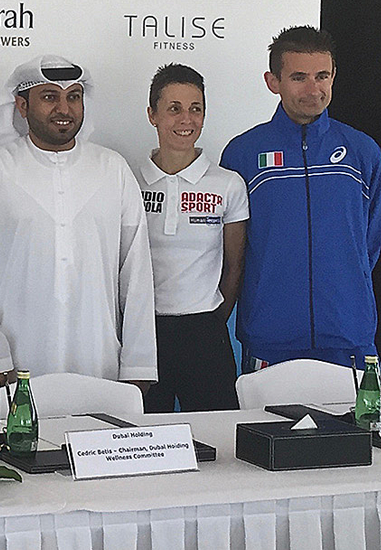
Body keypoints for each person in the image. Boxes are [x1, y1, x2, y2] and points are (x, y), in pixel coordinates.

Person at [0, 55, 156, 387]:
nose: (64, 108)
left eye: (74, 97)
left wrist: (138, 365)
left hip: (99, 361)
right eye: (50, 97)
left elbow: (137, 274)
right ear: (22, 106)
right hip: (12, 368)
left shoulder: (113, 169)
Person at [221, 26, 381, 370]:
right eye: (298, 77)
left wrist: (344, 289)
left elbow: (369, 244)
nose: (313, 89)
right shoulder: (243, 154)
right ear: (273, 82)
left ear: (333, 76)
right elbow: (233, 250)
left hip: (348, 336)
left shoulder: (363, 152)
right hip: (270, 337)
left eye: (322, 76)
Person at [135, 64, 246, 411]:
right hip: (142, 332)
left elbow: (234, 266)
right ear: (152, 115)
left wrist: (213, 320)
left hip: (204, 332)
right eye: (174, 108)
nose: (186, 119)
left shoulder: (228, 184)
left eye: (195, 108)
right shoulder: (128, 180)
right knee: (142, 434)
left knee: (217, 433)